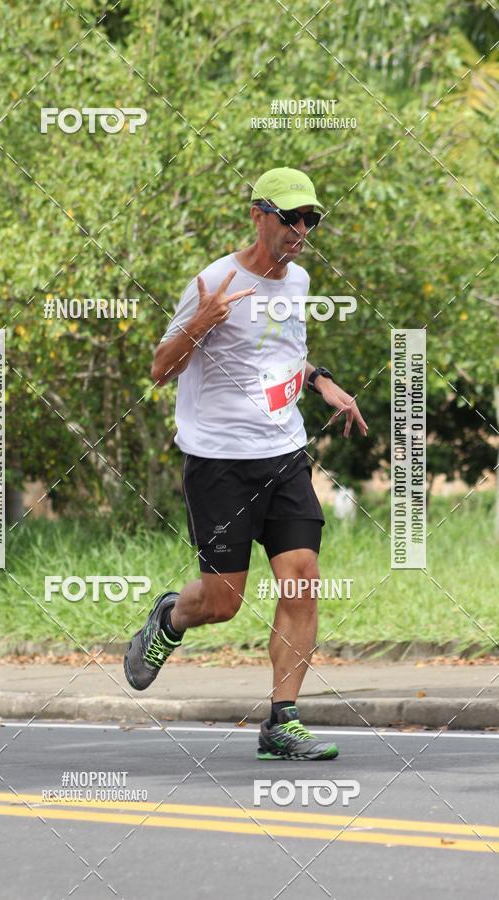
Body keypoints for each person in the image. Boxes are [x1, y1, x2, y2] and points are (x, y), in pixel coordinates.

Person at [124, 166, 368, 760]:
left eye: (310, 218)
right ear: (258, 215)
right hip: (219, 463)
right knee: (223, 602)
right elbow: (160, 368)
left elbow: (288, 354)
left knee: (303, 580)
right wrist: (201, 326)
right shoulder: (214, 281)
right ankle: (170, 618)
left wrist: (322, 382)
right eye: (290, 218)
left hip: (284, 455)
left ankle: (282, 721)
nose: (301, 229)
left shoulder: (300, 281)